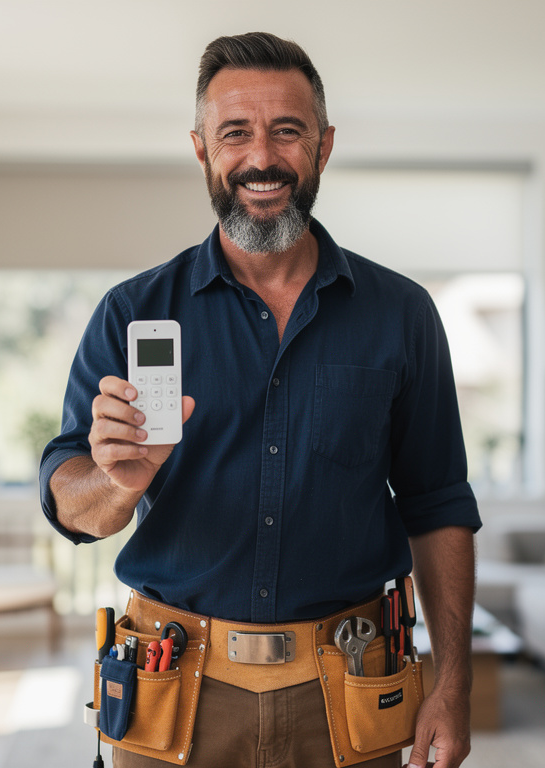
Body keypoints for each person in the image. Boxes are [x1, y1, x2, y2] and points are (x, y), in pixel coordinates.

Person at [40, 32, 479, 768]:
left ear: (324, 146)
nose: (262, 158)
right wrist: (116, 485)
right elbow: (70, 505)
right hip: (172, 688)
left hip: (351, 686)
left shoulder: (402, 314)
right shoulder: (132, 311)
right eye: (235, 132)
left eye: (287, 131)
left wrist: (455, 685)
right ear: (202, 148)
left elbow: (438, 506)